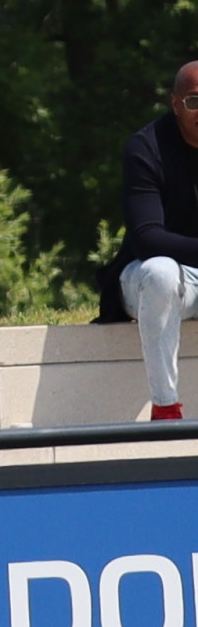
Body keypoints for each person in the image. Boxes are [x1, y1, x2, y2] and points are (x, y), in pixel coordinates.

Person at [102, 60, 198, 422]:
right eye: (193, 102)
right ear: (175, 104)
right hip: (145, 282)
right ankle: (166, 407)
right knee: (161, 271)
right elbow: (146, 239)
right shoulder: (146, 147)